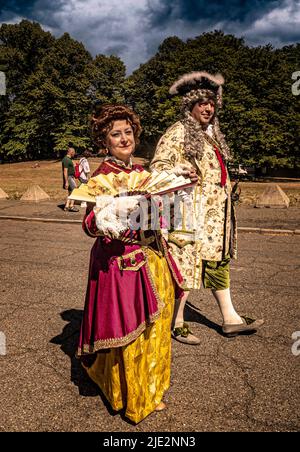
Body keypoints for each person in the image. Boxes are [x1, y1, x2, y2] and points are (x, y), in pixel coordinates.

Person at [77, 104, 184, 424]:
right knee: (134, 334)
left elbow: (165, 214)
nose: (123, 138)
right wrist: (111, 216)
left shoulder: (143, 172)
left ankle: (152, 388)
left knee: (157, 329)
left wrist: (178, 187)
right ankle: (135, 399)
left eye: (127, 132)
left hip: (155, 256)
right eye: (115, 134)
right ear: (105, 141)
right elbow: (89, 225)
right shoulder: (101, 176)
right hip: (122, 263)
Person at [150, 71, 264, 344]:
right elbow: (158, 168)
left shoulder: (212, 136)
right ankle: (176, 323)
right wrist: (179, 170)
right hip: (188, 214)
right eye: (202, 102)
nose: (208, 108)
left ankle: (230, 318)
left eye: (212, 103)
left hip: (216, 217)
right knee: (185, 267)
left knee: (217, 263)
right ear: (189, 104)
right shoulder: (178, 132)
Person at [62, 146, 79, 212]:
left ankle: (66, 206)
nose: (74, 154)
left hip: (71, 177)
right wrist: (66, 182)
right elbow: (65, 171)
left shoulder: (69, 159)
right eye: (74, 152)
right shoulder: (66, 159)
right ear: (71, 152)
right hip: (69, 178)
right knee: (75, 191)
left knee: (70, 193)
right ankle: (71, 206)